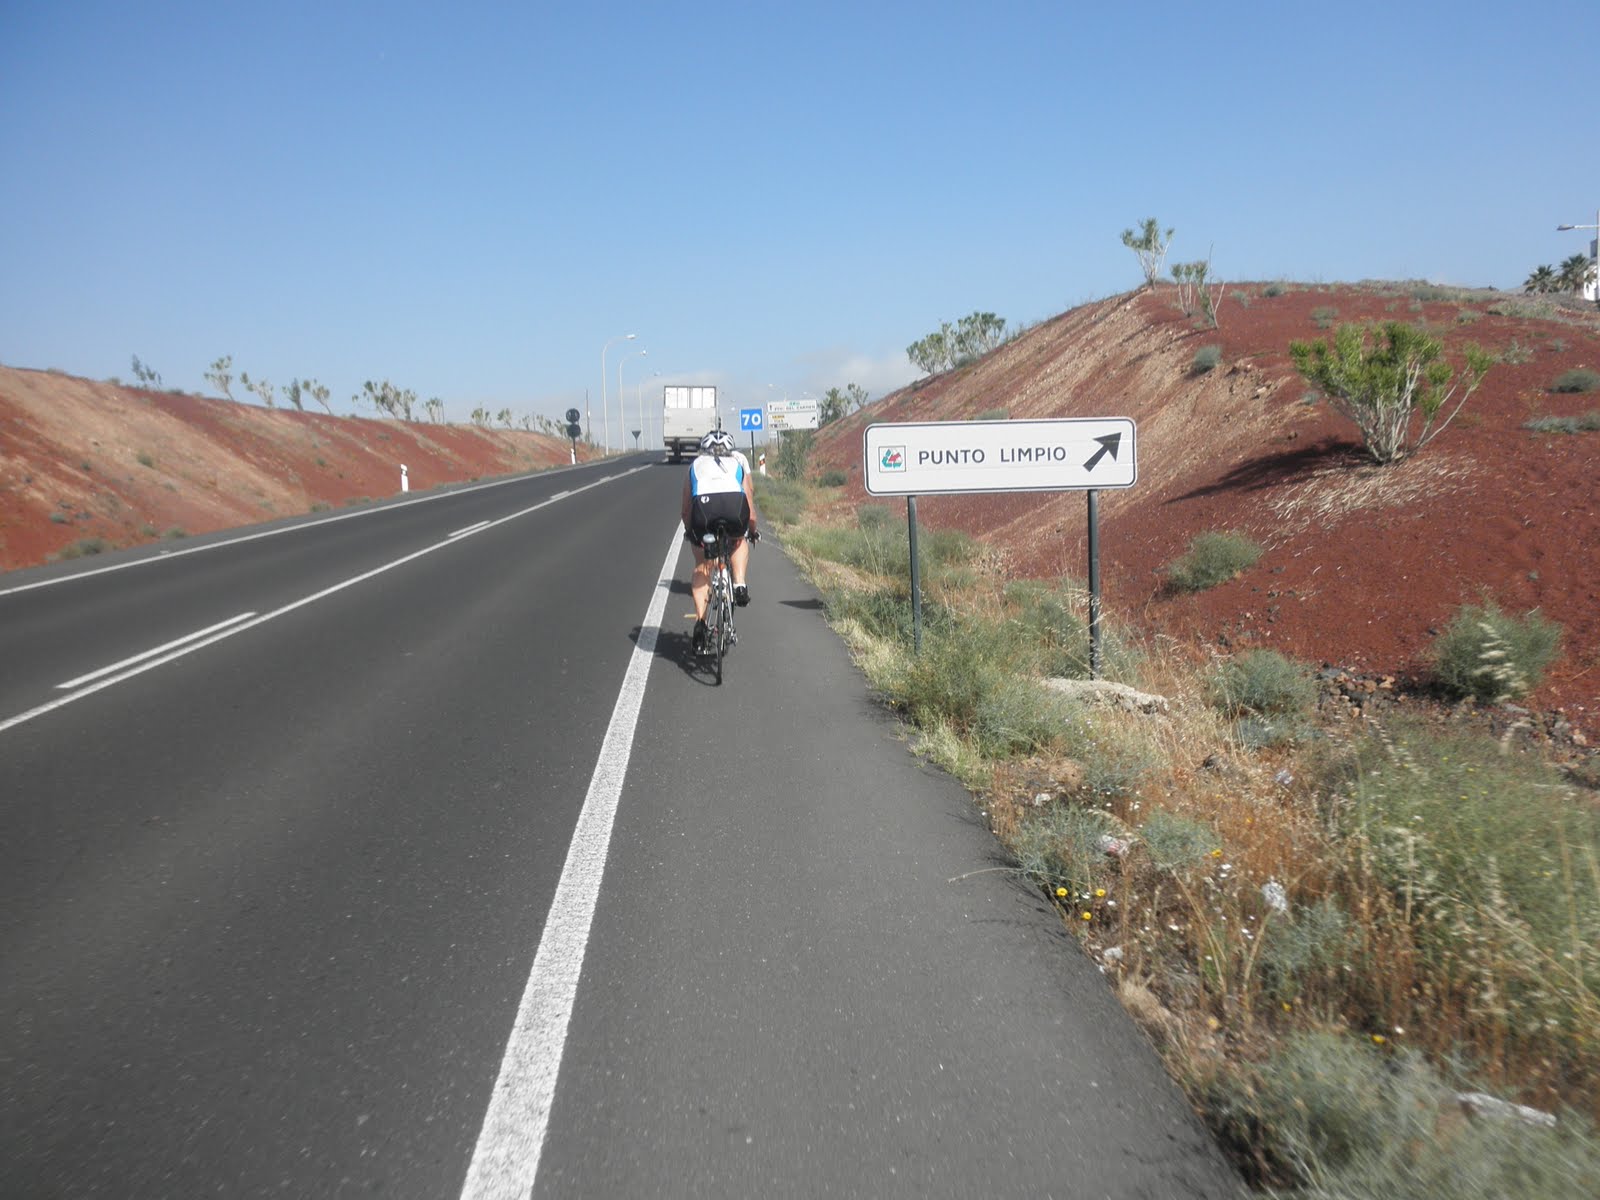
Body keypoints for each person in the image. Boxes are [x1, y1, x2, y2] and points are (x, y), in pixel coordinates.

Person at [680, 428, 759, 654]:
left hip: (703, 515)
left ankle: (702, 623)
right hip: (734, 511)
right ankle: (740, 583)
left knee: (703, 566)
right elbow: (750, 509)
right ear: (729, 449)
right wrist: (752, 531)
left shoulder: (694, 467)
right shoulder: (736, 465)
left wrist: (690, 532)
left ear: (703, 450)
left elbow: (686, 508)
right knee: (738, 541)